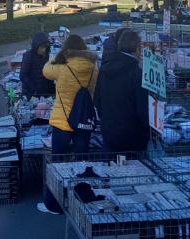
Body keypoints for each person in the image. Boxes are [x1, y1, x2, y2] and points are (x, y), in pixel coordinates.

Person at [38, 34, 98, 214]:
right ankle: (81, 202)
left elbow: (45, 70)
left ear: (67, 50)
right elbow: (94, 91)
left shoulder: (62, 69)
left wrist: (55, 57)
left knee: (58, 163)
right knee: (81, 163)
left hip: (62, 122)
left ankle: (53, 205)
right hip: (83, 123)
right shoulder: (94, 69)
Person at [94, 29, 149, 154]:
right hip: (133, 138)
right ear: (137, 48)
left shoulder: (104, 69)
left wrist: (107, 121)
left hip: (109, 134)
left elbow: (97, 99)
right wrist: (147, 131)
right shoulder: (137, 74)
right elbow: (143, 110)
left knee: (110, 170)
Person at [20, 33, 55, 99]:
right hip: (32, 91)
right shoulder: (28, 56)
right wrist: (34, 89)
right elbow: (23, 76)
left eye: (45, 47)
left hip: (43, 88)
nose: (44, 50)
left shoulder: (45, 54)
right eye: (41, 47)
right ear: (36, 46)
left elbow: (45, 71)